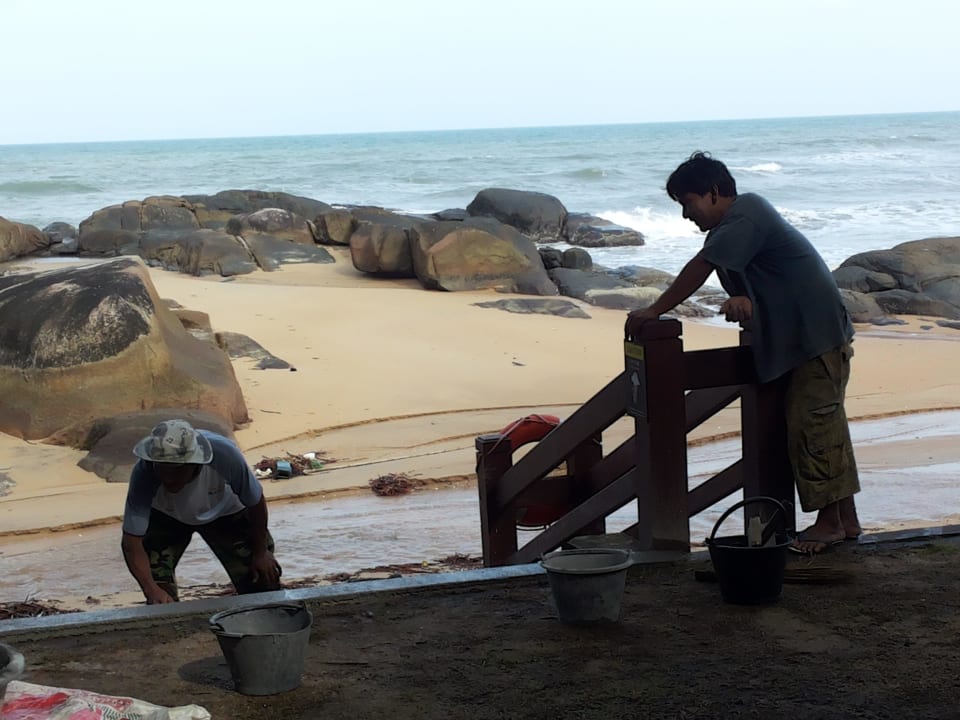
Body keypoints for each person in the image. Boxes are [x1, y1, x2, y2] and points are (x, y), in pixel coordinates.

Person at [626, 151, 861, 555]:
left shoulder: (747, 214)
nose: (685, 214)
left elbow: (701, 266)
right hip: (806, 339)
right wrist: (745, 299)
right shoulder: (733, 227)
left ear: (715, 192)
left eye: (688, 202)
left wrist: (654, 311)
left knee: (813, 427)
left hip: (816, 338)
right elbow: (762, 275)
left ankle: (829, 524)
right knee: (824, 425)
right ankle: (845, 519)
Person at [121, 419, 282, 604]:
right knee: (159, 595)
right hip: (166, 516)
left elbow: (255, 501)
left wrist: (261, 552)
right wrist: (151, 590)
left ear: (195, 462)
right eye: (161, 469)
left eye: (176, 471)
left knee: (262, 580)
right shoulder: (144, 472)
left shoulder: (225, 455)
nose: (168, 479)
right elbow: (132, 540)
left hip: (226, 512)